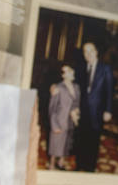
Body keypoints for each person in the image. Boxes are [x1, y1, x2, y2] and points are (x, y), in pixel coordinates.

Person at [74, 41, 113, 172]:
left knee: (94, 139)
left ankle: (90, 167)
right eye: (85, 51)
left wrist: (108, 110)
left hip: (98, 111)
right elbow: (74, 87)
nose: (88, 54)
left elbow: (109, 91)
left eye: (91, 51)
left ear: (96, 52)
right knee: (81, 137)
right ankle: (80, 165)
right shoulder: (80, 68)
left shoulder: (105, 69)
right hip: (83, 109)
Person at [47, 63, 80, 170]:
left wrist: (76, 112)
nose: (71, 72)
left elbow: (76, 102)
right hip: (59, 120)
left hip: (70, 120)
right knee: (55, 143)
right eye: (67, 71)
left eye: (71, 70)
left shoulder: (76, 87)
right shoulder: (58, 88)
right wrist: (54, 125)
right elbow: (52, 107)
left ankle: (61, 162)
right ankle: (52, 164)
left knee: (66, 143)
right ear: (63, 75)